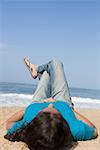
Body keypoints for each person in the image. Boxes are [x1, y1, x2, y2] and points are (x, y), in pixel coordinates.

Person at [4, 58, 98, 150]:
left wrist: (27, 109)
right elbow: (94, 130)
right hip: (62, 101)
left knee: (46, 74)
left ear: (35, 122)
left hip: (37, 102)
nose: (50, 105)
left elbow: (8, 123)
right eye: (57, 112)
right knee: (56, 63)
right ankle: (38, 69)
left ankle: (37, 70)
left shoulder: (28, 128)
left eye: (43, 111)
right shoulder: (73, 130)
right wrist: (71, 111)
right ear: (64, 125)